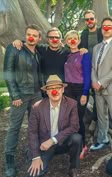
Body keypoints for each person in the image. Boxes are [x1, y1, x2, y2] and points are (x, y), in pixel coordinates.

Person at [3, 24, 43, 177]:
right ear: (25, 35)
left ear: (39, 38)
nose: (31, 37)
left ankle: (33, 152)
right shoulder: (15, 49)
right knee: (14, 128)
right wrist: (15, 96)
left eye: (35, 35)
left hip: (36, 95)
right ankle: (9, 163)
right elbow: (8, 73)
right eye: (28, 34)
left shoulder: (38, 52)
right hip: (20, 96)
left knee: (35, 126)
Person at [27, 75, 82, 177]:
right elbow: (32, 132)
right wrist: (36, 157)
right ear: (47, 92)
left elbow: (74, 126)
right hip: (44, 145)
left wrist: (53, 140)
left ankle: (73, 168)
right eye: (51, 88)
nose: (54, 91)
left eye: (57, 88)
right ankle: (32, 154)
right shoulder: (37, 107)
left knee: (77, 138)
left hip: (62, 141)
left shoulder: (71, 104)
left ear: (62, 90)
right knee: (34, 174)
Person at [90, 17, 112, 151]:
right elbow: (94, 67)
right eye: (104, 26)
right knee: (101, 117)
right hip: (97, 89)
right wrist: (94, 81)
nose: (106, 28)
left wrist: (101, 82)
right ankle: (102, 139)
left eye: (109, 26)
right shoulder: (96, 47)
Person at [64, 30, 91, 157]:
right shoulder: (66, 55)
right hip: (68, 90)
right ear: (66, 42)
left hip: (81, 89)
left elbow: (87, 75)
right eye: (69, 39)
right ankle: (73, 143)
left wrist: (85, 93)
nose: (72, 40)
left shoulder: (84, 54)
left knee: (79, 118)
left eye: (75, 38)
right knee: (71, 118)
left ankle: (83, 145)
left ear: (79, 40)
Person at [79, 10, 103, 130]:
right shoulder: (83, 33)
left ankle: (96, 120)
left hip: (100, 68)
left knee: (98, 94)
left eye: (91, 19)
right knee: (87, 93)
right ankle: (84, 120)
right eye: (87, 19)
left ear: (95, 19)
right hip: (87, 68)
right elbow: (79, 48)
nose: (89, 21)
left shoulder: (101, 31)